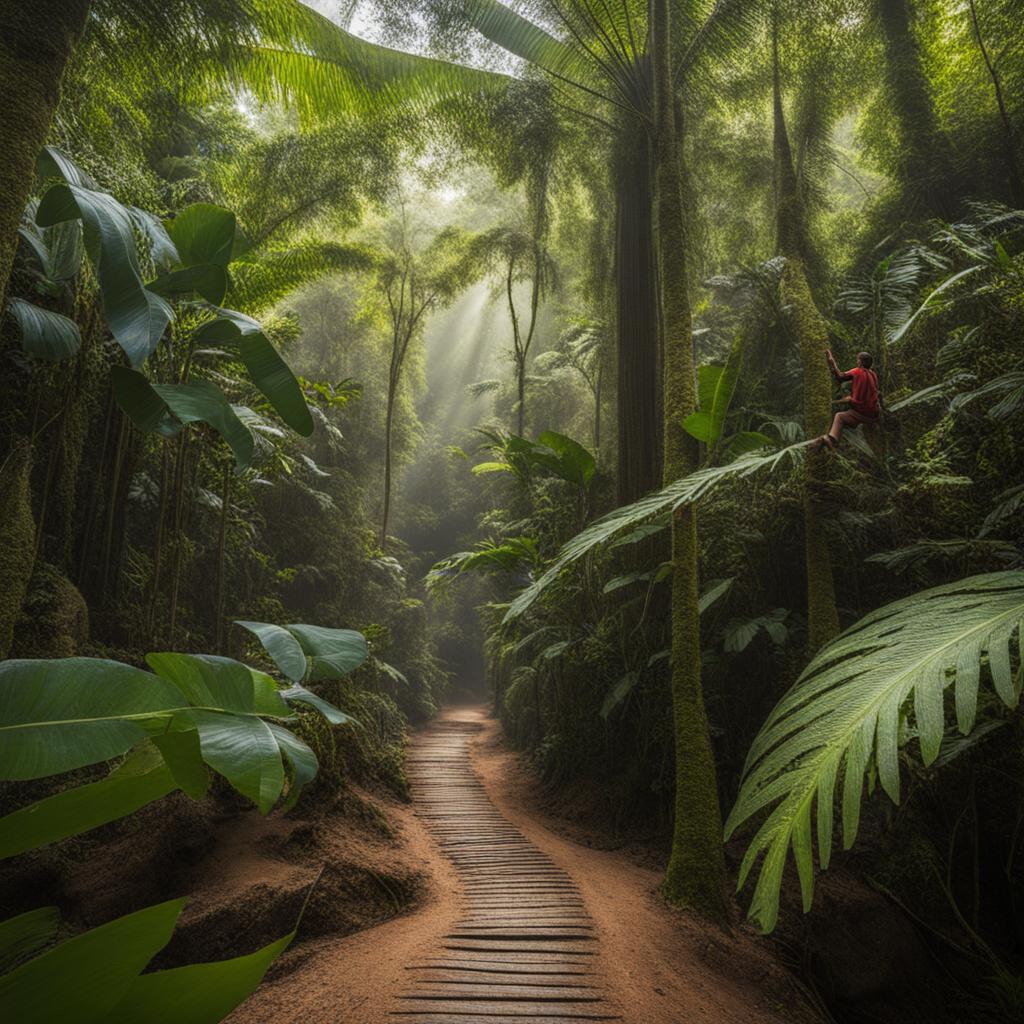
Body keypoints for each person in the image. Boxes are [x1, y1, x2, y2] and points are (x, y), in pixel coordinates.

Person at [815, 349, 879, 448]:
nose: (857, 362)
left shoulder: (857, 371)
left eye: (858, 360)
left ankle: (832, 440)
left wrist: (831, 361)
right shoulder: (873, 375)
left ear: (861, 362)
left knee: (839, 416)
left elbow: (840, 377)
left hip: (861, 412)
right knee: (848, 411)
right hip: (873, 414)